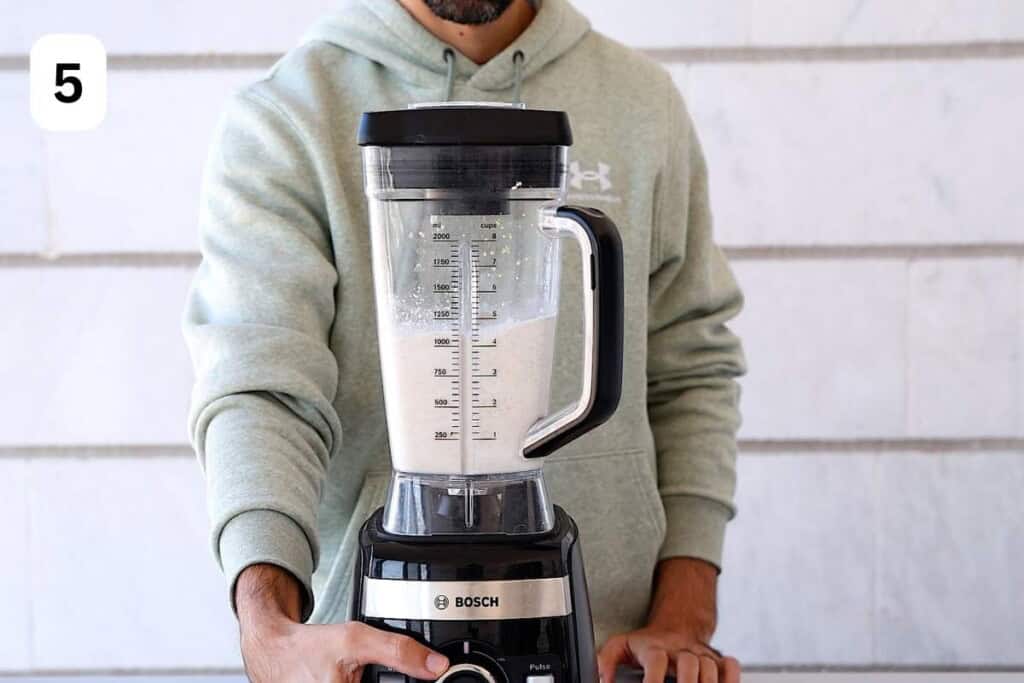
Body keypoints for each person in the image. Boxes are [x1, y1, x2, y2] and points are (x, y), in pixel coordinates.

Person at [183, 1, 746, 682]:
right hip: (372, 648)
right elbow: (263, 388)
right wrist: (269, 628)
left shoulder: (640, 104)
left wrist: (681, 620)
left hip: (607, 652)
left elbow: (692, 368)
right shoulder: (288, 115)